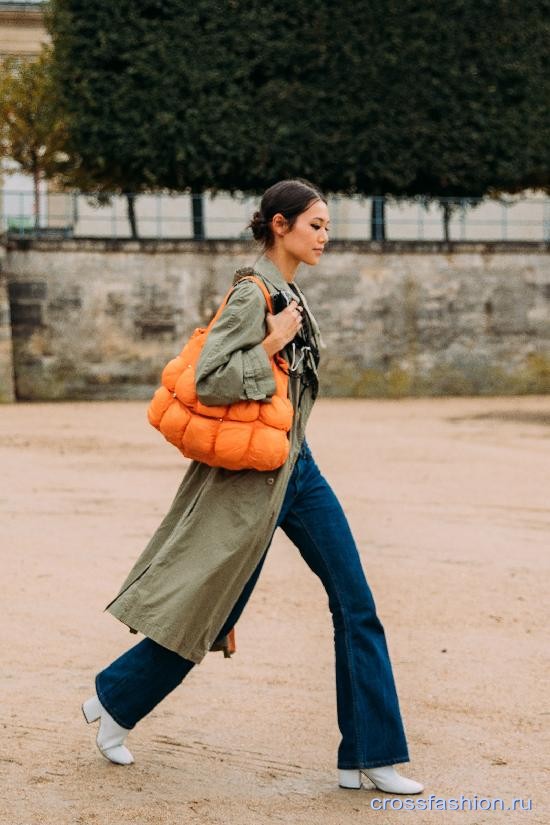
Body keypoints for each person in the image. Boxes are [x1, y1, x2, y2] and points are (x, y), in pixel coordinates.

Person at [82, 179, 424, 795]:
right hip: (257, 477)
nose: (326, 235)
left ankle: (369, 757)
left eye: (327, 225)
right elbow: (210, 380)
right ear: (279, 225)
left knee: (356, 604)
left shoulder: (289, 291)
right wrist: (270, 341)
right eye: (315, 225)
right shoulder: (253, 293)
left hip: (298, 468)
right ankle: (114, 700)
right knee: (214, 603)